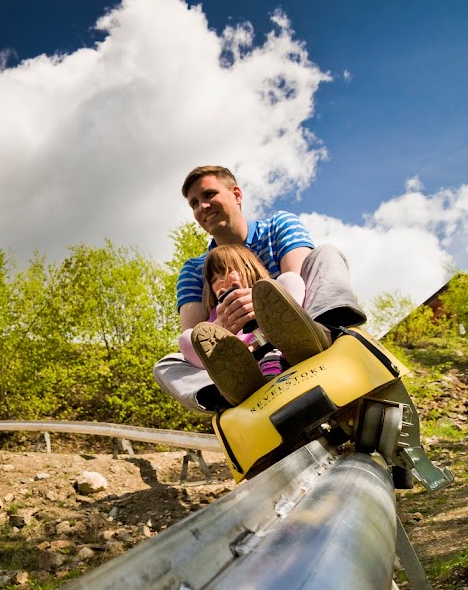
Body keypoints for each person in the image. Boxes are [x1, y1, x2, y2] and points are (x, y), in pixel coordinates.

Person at [154, 165, 366, 411]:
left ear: (236, 194)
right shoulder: (194, 269)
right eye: (194, 204)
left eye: (209, 195)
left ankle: (327, 331)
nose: (202, 207)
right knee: (166, 365)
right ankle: (231, 387)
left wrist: (264, 306)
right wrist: (222, 326)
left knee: (325, 253)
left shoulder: (278, 225)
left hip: (300, 323)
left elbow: (297, 279)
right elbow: (193, 337)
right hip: (242, 354)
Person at [177, 244, 305, 403]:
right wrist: (223, 321)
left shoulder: (267, 293)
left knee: (289, 279)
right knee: (187, 338)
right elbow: (194, 343)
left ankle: (297, 340)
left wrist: (261, 301)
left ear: (248, 269)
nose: (220, 280)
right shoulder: (215, 315)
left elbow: (292, 284)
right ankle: (229, 385)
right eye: (214, 279)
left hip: (285, 348)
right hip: (245, 368)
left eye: (227, 271)